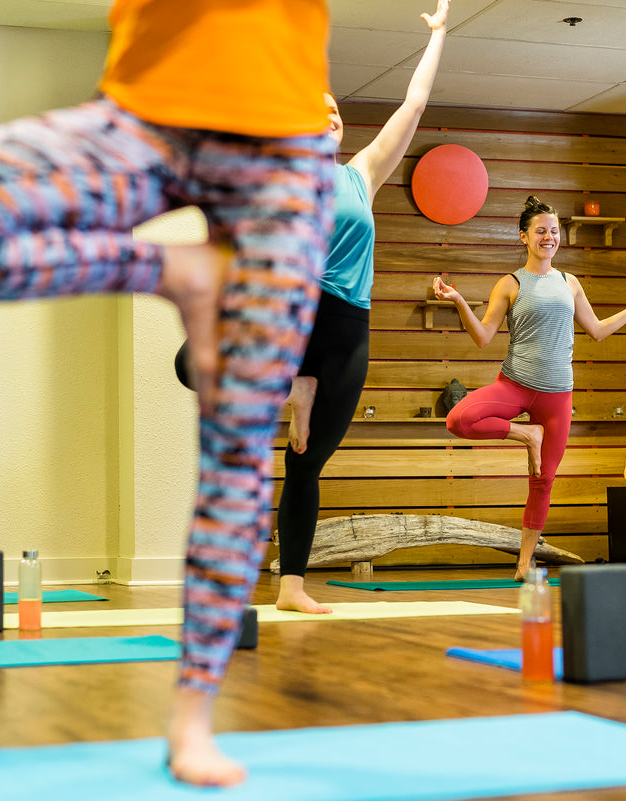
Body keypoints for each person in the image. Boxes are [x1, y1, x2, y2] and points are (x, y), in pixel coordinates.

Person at [0, 0, 335, 787]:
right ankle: (172, 272)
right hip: (140, 119)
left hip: (285, 151)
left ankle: (194, 715)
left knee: (240, 442)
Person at [276, 0, 450, 614]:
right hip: (296, 315)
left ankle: (291, 587)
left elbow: (414, 106)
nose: (330, 115)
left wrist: (438, 36)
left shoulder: (362, 174)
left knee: (308, 459)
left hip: (350, 327)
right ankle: (292, 381)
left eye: (335, 112)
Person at [433, 196, 626, 580]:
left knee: (543, 481)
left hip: (558, 394)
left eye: (554, 231)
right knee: (459, 419)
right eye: (541, 231)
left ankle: (525, 563)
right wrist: (459, 300)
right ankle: (528, 434)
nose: (549, 237)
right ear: (524, 236)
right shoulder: (510, 283)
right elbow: (482, 338)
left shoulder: (569, 283)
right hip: (515, 383)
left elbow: (596, 331)